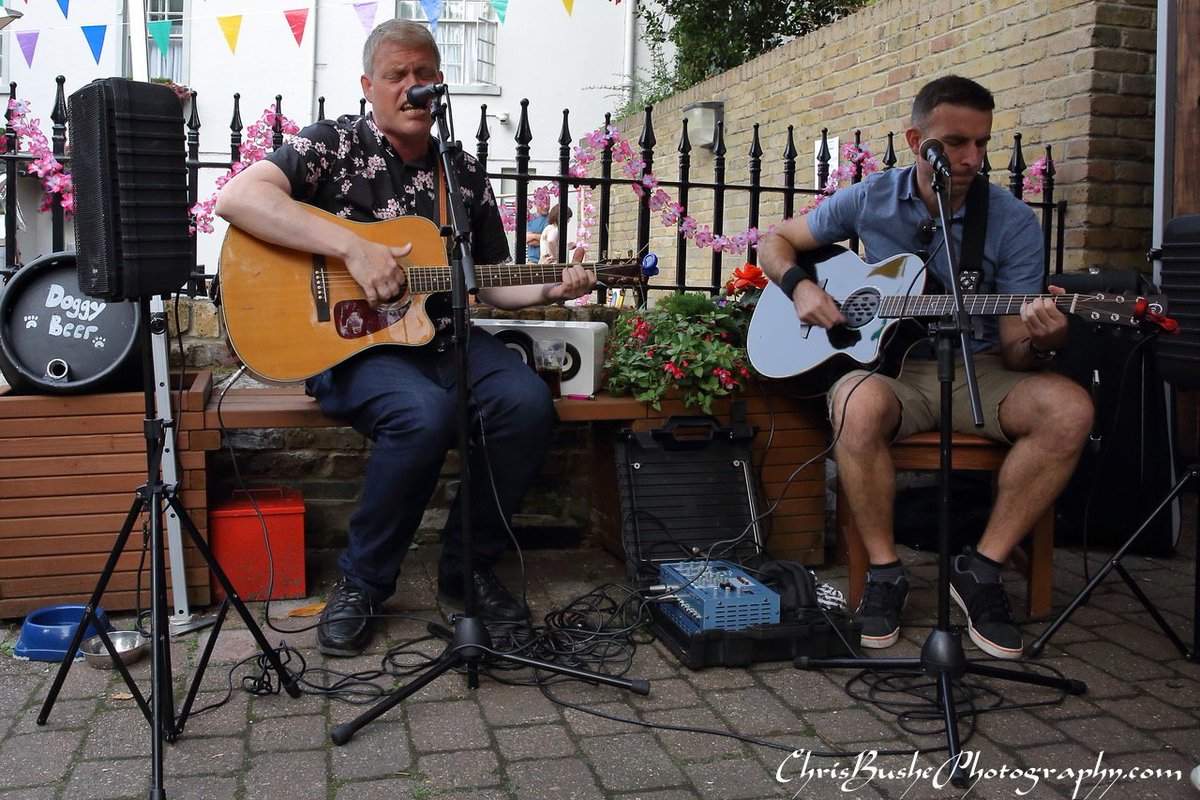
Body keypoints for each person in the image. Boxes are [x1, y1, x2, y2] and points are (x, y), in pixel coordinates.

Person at [215, 19, 595, 657]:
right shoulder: (330, 145)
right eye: (397, 76)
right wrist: (352, 248)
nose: (412, 87)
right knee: (423, 416)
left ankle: (465, 567)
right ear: (369, 86)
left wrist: (551, 289)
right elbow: (237, 198)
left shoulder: (463, 174)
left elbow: (490, 286)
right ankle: (363, 583)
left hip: (446, 340)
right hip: (350, 346)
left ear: (439, 84)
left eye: (424, 75)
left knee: (528, 403)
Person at [758, 75, 1093, 660]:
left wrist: (1044, 342)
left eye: (981, 144)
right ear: (917, 140)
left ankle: (981, 569)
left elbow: (1016, 348)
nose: (970, 158)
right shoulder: (871, 197)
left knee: (1070, 409)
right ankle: (886, 573)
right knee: (854, 404)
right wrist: (801, 288)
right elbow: (776, 242)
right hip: (897, 370)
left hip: (980, 365)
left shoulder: (1010, 221)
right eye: (955, 143)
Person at [525, 194, 551, 262]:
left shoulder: (552, 218)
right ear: (535, 204)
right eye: (541, 204)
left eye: (547, 204)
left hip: (548, 261)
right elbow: (526, 239)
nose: (545, 206)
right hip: (532, 261)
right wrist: (543, 239)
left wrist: (533, 236)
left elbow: (551, 240)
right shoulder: (530, 218)